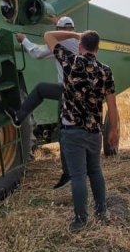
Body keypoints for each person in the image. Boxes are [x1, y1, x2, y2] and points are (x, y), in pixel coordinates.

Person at [44, 29, 119, 231]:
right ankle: (102, 211)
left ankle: (80, 220)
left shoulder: (70, 61)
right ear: (98, 48)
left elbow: (48, 36)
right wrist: (114, 131)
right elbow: (112, 105)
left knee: (78, 176)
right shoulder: (106, 70)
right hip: (95, 132)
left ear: (80, 46)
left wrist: (75, 34)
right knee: (95, 171)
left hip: (72, 130)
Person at [6, 16, 78, 189]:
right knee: (65, 130)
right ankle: (70, 174)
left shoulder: (61, 44)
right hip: (79, 92)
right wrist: (56, 21)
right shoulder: (76, 40)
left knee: (63, 133)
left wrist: (24, 40)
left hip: (68, 92)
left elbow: (37, 53)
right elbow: (64, 32)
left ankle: (69, 176)